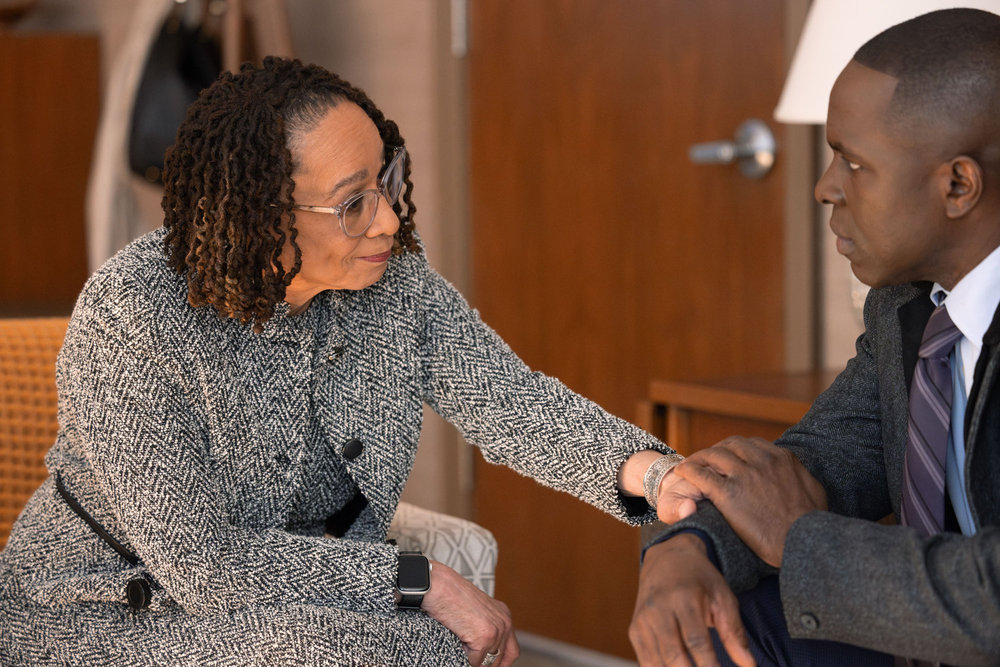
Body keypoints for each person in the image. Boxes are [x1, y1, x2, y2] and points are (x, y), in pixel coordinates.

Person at [0, 57, 696, 666]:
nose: (389, 218)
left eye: (387, 178)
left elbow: (511, 400)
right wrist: (420, 578)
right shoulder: (132, 310)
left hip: (295, 602)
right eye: (353, 202)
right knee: (360, 649)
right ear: (260, 214)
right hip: (102, 606)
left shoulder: (393, 285)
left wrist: (656, 474)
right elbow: (203, 564)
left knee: (430, 645)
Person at [630, 8, 1000, 666]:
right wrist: (685, 551)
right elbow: (821, 458)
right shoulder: (905, 305)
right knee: (716, 620)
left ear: (958, 184)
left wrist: (798, 538)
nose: (824, 187)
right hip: (931, 634)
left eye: (853, 163)